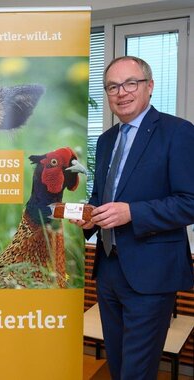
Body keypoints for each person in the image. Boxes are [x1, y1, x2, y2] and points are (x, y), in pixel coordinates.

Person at [72, 56, 194, 379]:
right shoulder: (106, 140)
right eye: (112, 86)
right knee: (118, 364)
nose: (121, 92)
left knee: (136, 373)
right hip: (109, 270)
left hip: (151, 276)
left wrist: (132, 213)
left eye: (130, 83)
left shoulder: (177, 133)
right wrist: (89, 219)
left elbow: (190, 202)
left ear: (149, 86)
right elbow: (101, 199)